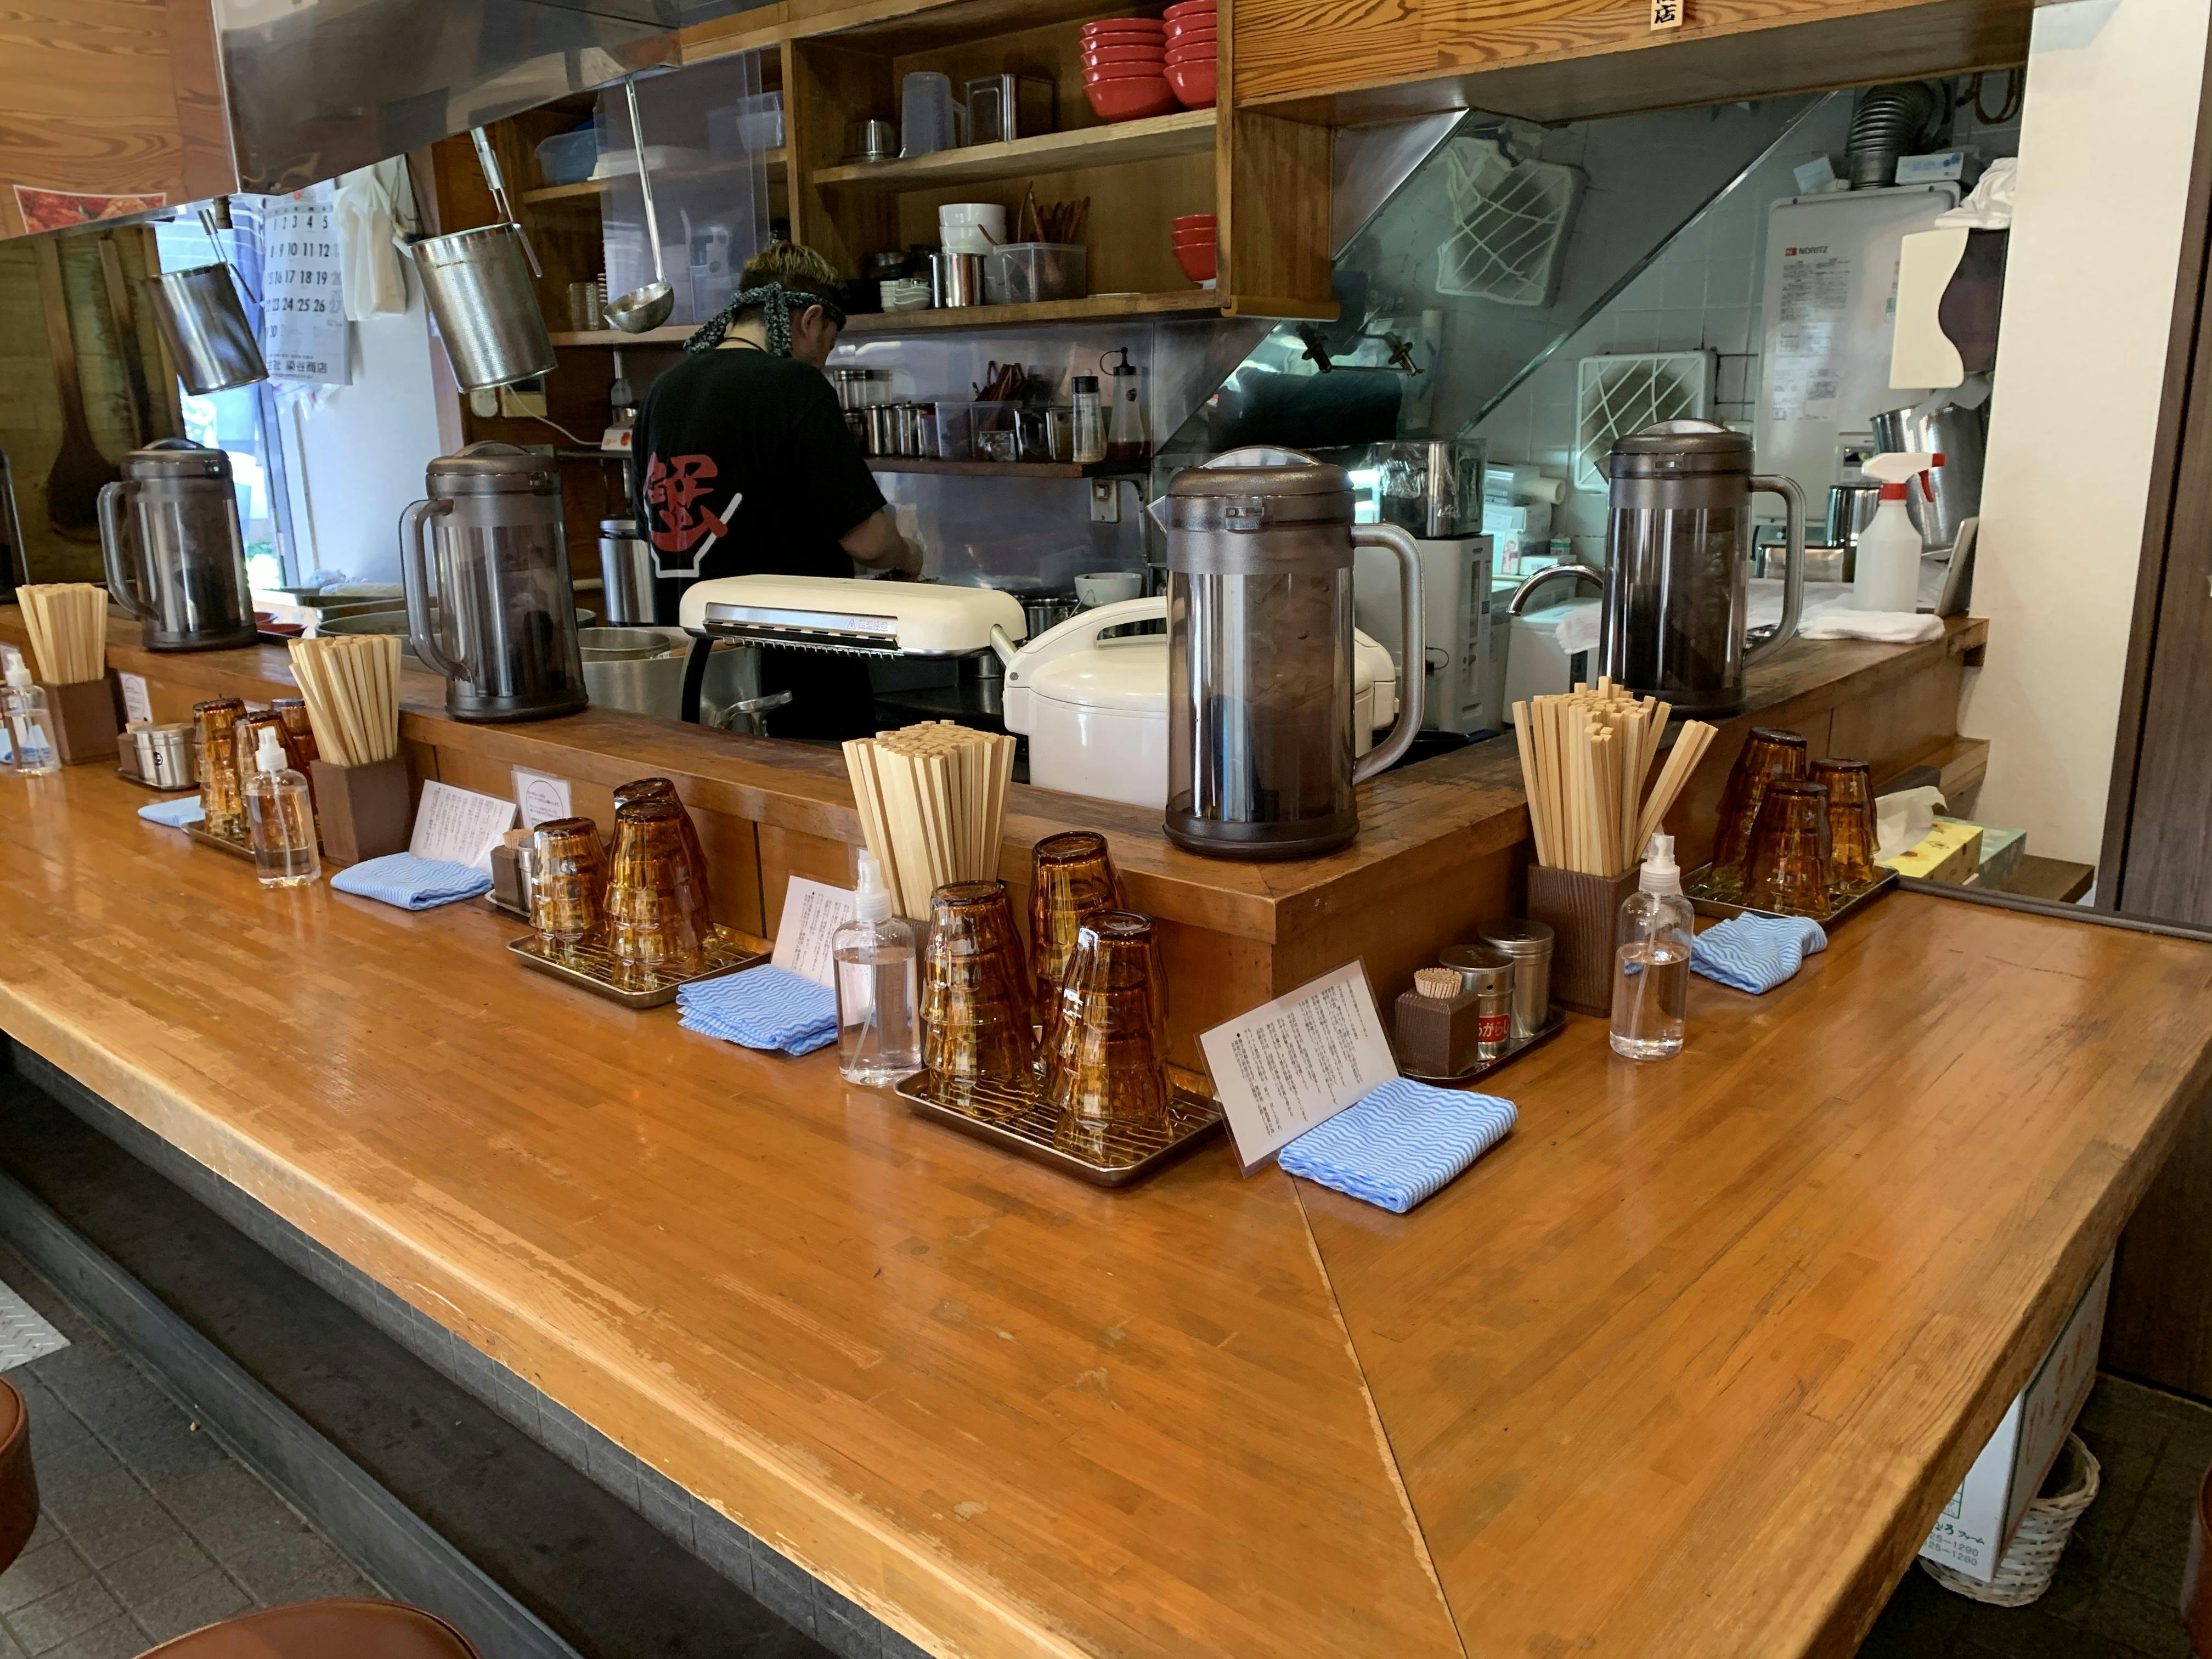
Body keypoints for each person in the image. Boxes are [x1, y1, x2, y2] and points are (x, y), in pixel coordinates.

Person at [631, 242, 922, 742]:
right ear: (811, 320)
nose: (823, 362)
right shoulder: (794, 385)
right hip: (795, 688)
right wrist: (909, 554)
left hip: (695, 681)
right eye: (828, 345)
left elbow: (654, 531)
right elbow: (870, 542)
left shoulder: (663, 390)